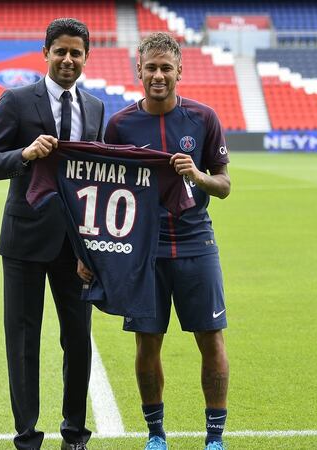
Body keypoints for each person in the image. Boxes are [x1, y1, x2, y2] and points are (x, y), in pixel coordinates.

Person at [0, 18, 105, 450]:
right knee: (24, 342)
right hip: (25, 243)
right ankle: (27, 436)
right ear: (45, 53)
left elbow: (97, 178)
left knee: (78, 341)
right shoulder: (15, 101)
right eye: (61, 51)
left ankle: (75, 433)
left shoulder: (96, 108)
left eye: (76, 53)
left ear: (86, 57)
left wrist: (96, 244)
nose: (68, 59)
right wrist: (25, 154)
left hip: (77, 245)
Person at [99, 32, 231, 450]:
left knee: (211, 338)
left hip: (195, 243)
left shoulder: (204, 118)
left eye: (166, 68)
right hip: (143, 251)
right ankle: (156, 434)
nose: (158, 75)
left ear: (179, 71)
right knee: (147, 341)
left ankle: (214, 438)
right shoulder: (119, 125)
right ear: (138, 70)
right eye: (151, 67)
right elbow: (106, 193)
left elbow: (224, 185)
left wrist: (198, 175)